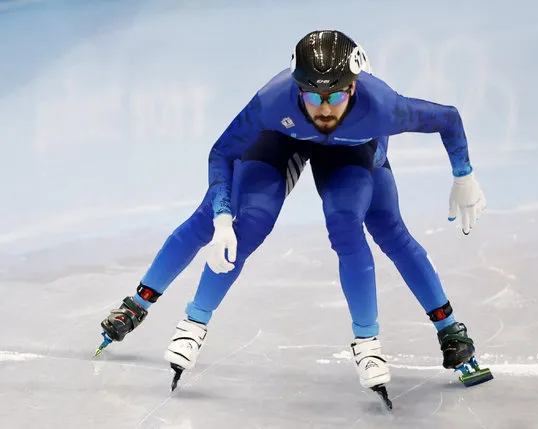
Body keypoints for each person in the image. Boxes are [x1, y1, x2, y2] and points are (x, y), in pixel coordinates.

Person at [98, 30, 488, 397]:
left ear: (353, 86)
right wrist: (220, 217)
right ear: (296, 89)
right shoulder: (273, 100)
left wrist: (463, 175)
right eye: (311, 96)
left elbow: (448, 118)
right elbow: (222, 153)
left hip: (353, 153)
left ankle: (424, 333)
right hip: (279, 140)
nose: (323, 108)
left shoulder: (383, 106)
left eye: (334, 96)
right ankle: (156, 309)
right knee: (239, 221)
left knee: (372, 225)